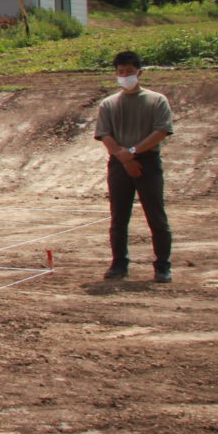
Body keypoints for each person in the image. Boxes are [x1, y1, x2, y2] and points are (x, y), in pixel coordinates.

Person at [94, 50, 174, 282]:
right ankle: (119, 264)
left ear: (139, 73)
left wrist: (132, 153)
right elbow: (104, 134)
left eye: (129, 72)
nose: (125, 76)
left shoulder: (156, 100)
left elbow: (161, 131)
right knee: (119, 218)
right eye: (121, 72)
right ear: (116, 74)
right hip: (119, 163)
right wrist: (124, 157)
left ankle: (162, 266)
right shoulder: (108, 104)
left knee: (156, 217)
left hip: (147, 162)